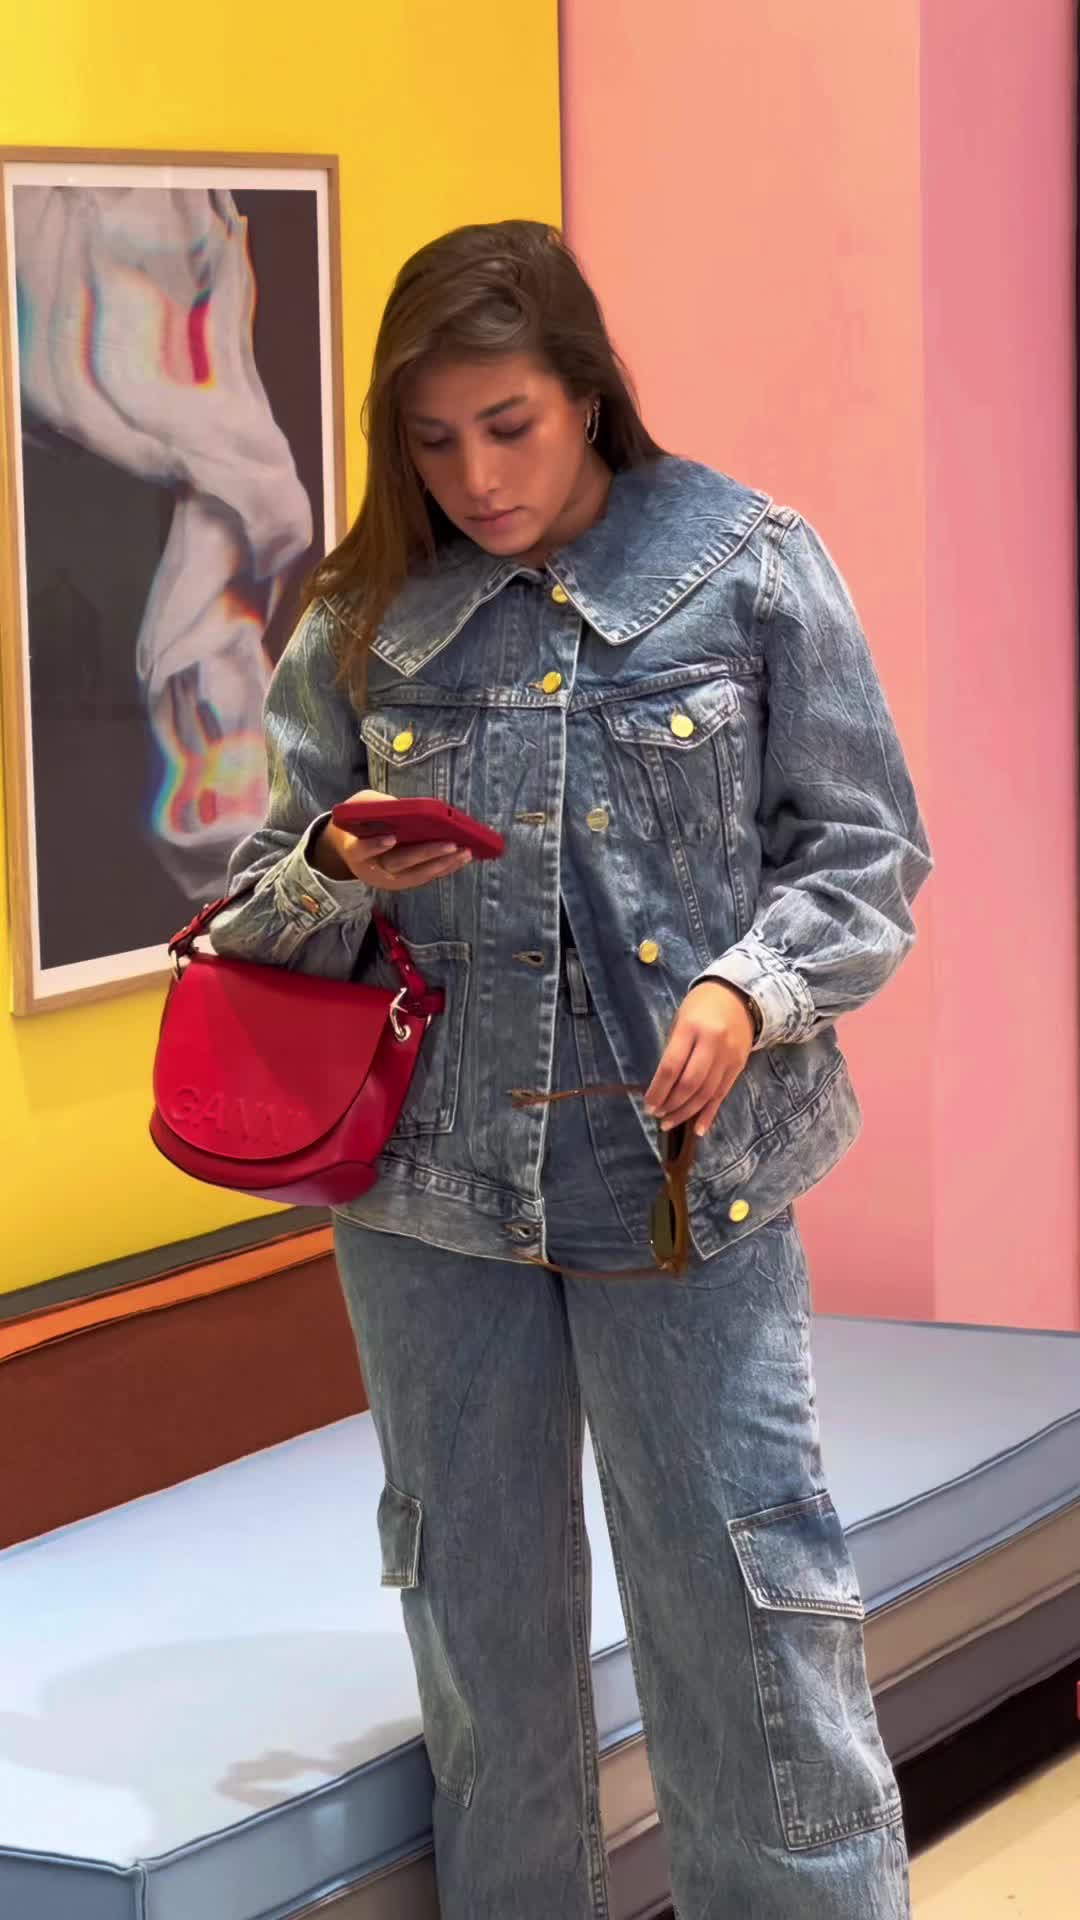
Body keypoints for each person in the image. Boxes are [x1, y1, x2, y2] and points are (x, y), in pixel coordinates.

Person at [212, 220, 930, 1919]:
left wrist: (753, 988)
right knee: (478, 1632)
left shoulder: (749, 568)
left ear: (588, 395)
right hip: (428, 1202)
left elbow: (865, 857)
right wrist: (332, 868)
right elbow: (251, 910)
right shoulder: (364, 614)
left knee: (749, 1612)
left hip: (684, 1187)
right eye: (433, 440)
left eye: (509, 425)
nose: (475, 477)